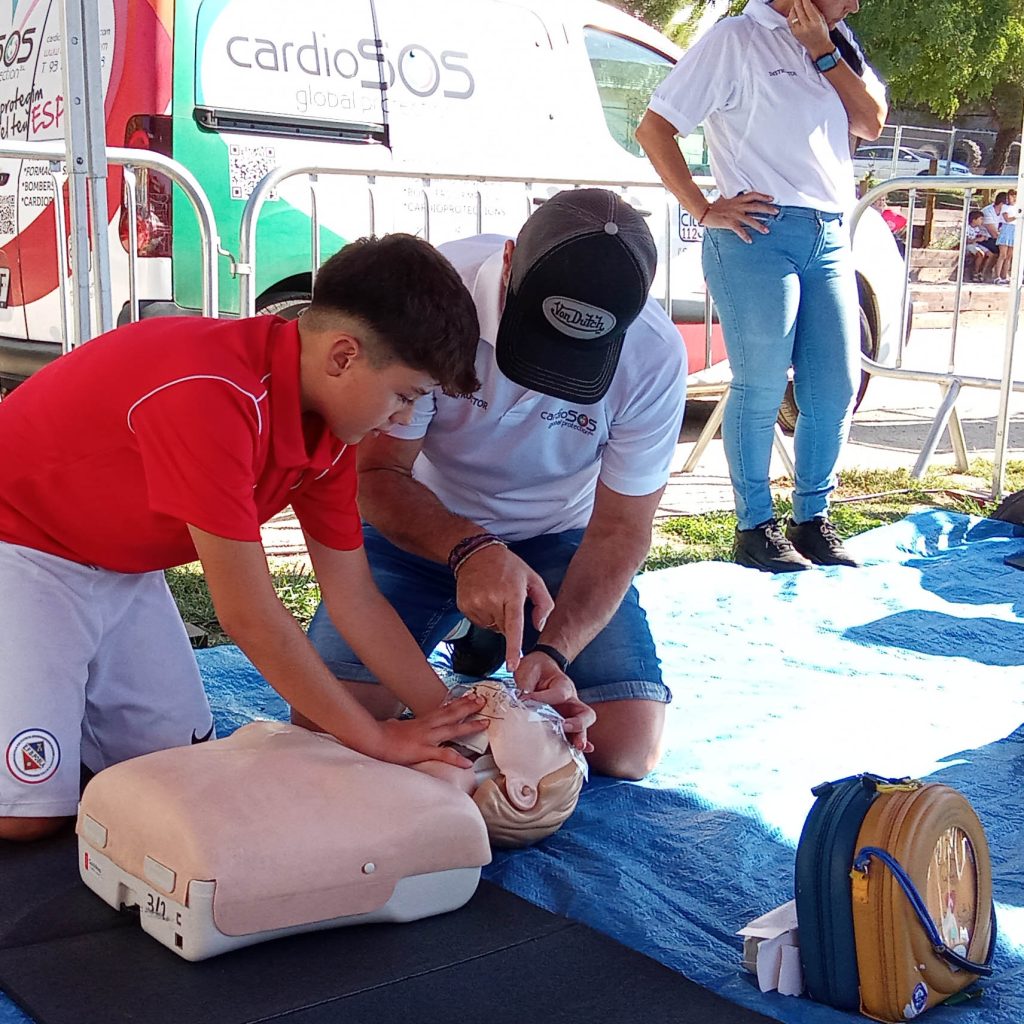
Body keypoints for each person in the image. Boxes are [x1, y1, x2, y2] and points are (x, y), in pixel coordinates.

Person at [0, 234, 495, 843]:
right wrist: (372, 737)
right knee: (26, 817)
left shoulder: (331, 432)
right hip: (20, 548)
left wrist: (448, 718)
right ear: (343, 356)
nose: (401, 420)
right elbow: (249, 614)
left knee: (177, 775)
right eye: (405, 395)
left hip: (121, 568)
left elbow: (355, 597)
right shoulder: (213, 392)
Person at [307, 189, 687, 781]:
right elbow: (377, 474)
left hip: (558, 537)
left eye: (577, 359)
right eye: (535, 338)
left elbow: (620, 528)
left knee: (625, 749)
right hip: (420, 527)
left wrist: (554, 653)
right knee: (333, 729)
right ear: (509, 262)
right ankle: (481, 624)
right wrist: (470, 549)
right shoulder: (438, 295)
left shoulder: (654, 354)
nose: (549, 381)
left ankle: (499, 635)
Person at [635, 0, 887, 573]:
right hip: (758, 233)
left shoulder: (837, 37)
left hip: (827, 233)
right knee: (763, 383)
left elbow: (871, 122)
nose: (856, 2)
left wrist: (824, 50)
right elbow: (654, 128)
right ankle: (754, 527)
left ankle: (813, 519)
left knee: (835, 384)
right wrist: (702, 207)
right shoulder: (736, 37)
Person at [981, 190, 1013, 283]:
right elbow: (993, 234)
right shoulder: (988, 212)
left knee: (1011, 252)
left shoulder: (1005, 212)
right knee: (1000, 251)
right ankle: (991, 274)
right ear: (1003, 204)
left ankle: (1004, 275)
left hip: (999, 237)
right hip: (986, 238)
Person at [965, 209, 997, 283]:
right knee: (980, 254)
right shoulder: (967, 228)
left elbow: (979, 236)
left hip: (977, 244)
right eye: (981, 219)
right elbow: (966, 240)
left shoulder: (977, 228)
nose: (982, 221)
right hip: (969, 245)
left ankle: (982, 272)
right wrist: (976, 240)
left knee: (991, 255)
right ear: (974, 220)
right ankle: (975, 273)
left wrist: (983, 238)